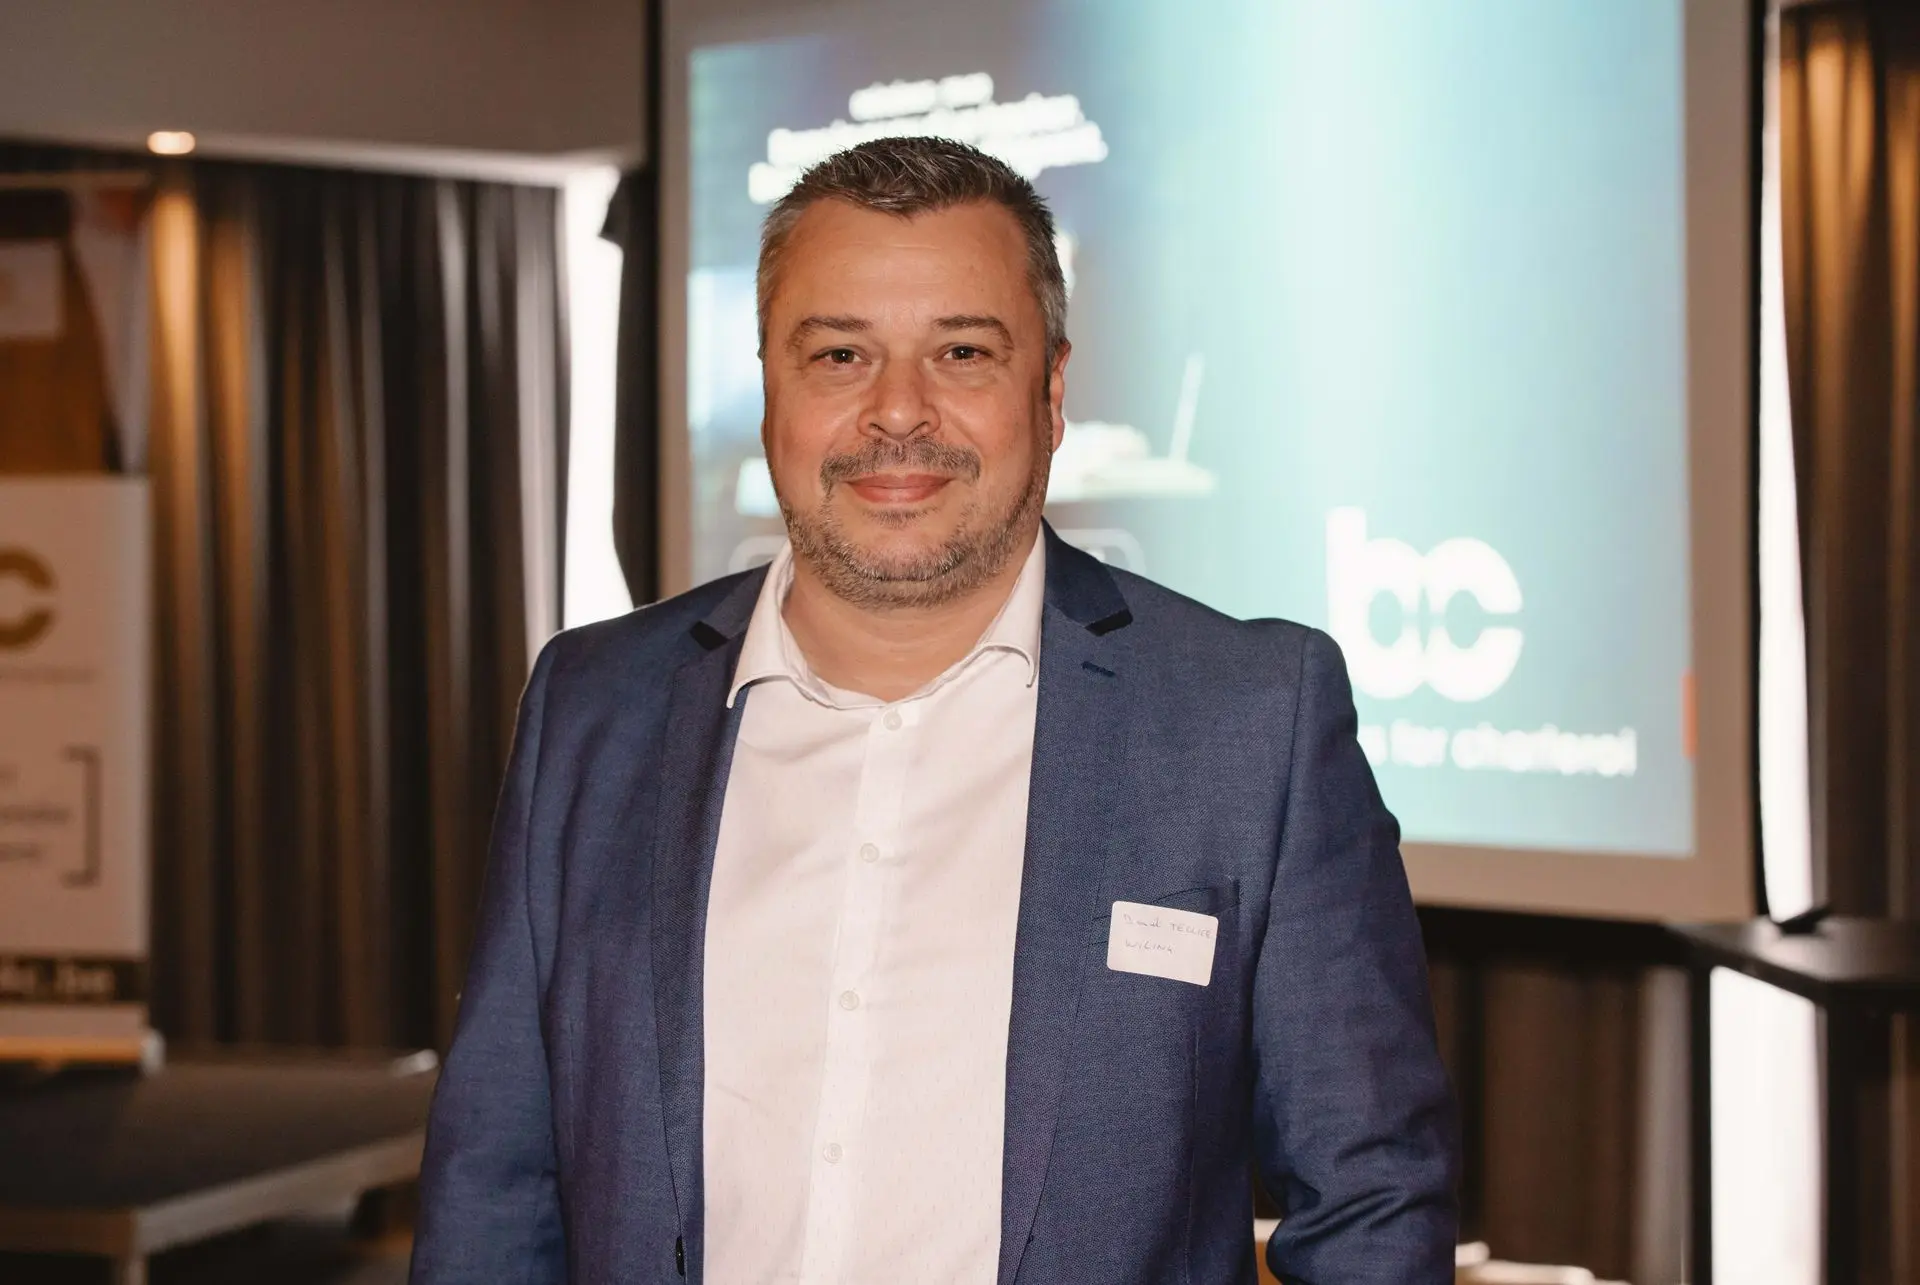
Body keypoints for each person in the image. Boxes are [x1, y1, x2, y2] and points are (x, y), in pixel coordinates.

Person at [410, 136, 1457, 1285]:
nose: (897, 412)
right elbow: (493, 1188)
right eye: (839, 354)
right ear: (770, 392)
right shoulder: (593, 707)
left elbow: (1373, 1202)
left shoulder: (1248, 722)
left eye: (962, 351)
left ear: (1051, 392)